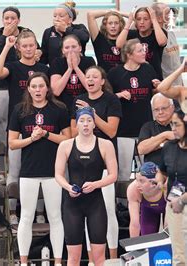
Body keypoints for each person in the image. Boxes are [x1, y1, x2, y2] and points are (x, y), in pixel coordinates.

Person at [8, 72, 70, 266]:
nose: (37, 90)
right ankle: (24, 261)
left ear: (47, 88)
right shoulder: (19, 110)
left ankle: (58, 261)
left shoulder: (58, 109)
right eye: (33, 86)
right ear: (28, 89)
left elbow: (67, 139)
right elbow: (12, 143)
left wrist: (45, 134)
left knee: (55, 216)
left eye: (41, 86)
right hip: (28, 172)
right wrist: (31, 138)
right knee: (26, 216)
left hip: (54, 172)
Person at [0, 30, 49, 225]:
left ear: (36, 47)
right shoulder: (13, 67)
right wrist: (7, 46)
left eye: (31, 45)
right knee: (14, 172)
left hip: (41, 126)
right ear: (18, 48)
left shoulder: (43, 68)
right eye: (24, 45)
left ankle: (40, 212)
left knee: (42, 171)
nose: (28, 49)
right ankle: (12, 213)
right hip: (18, 126)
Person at [54, 107, 118, 266]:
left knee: (99, 258)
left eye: (89, 120)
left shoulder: (106, 145)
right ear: (76, 124)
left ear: (94, 124)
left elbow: (113, 175)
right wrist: (68, 187)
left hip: (95, 204)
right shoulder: (66, 145)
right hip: (72, 205)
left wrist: (96, 184)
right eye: (82, 121)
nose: (86, 124)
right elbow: (58, 175)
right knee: (73, 257)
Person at [71, 66, 122, 260]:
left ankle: (113, 257)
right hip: (82, 162)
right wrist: (83, 120)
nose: (90, 79)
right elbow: (73, 131)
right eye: (88, 76)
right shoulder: (78, 101)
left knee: (108, 209)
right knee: (86, 213)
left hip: (104, 162)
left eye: (95, 76)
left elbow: (111, 131)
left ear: (102, 81)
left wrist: (92, 114)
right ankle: (93, 259)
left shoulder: (111, 100)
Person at [0, 6, 36, 160]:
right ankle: (2, 168)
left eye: (12, 18)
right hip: (2, 86)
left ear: (18, 20)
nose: (9, 21)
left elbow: (35, 54)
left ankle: (25, 159)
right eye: (6, 18)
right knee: (2, 125)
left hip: (22, 86)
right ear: (2, 20)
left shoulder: (26, 32)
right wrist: (4, 37)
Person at [108, 39, 158, 181]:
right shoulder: (115, 73)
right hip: (124, 129)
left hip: (145, 128)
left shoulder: (148, 69)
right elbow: (105, 97)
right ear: (129, 55)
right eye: (140, 50)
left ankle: (150, 200)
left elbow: (155, 93)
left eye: (144, 49)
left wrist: (157, 87)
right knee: (123, 171)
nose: (144, 53)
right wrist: (118, 95)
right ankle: (121, 202)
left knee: (149, 170)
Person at [157, 109, 187, 265]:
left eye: (177, 125)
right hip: (174, 203)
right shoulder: (168, 147)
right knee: (178, 253)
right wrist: (158, 183)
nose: (173, 128)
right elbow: (162, 171)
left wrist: (181, 199)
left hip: (182, 200)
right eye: (171, 124)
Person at [116, 6, 167, 80]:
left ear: (151, 20)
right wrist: (129, 22)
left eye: (146, 19)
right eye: (138, 19)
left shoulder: (158, 33)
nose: (142, 22)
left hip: (155, 77)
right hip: (135, 78)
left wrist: (154, 19)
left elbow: (162, 42)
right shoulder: (131, 34)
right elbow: (119, 45)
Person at [50, 34, 96, 112]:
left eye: (74, 47)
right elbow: (56, 91)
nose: (70, 50)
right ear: (63, 50)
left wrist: (76, 68)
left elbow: (92, 87)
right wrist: (70, 69)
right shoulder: (57, 62)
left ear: (80, 48)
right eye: (67, 47)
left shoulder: (89, 61)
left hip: (85, 106)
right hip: (63, 107)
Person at [40, 1, 90, 66]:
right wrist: (39, 53)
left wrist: (65, 29)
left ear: (70, 19)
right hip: (56, 71)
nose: (57, 19)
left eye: (61, 16)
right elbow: (45, 55)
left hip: (77, 68)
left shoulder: (79, 28)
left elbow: (84, 38)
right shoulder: (48, 32)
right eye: (55, 16)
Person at [127, 162, 166, 237]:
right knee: (147, 239)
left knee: (171, 237)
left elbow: (169, 226)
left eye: (141, 181)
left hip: (170, 208)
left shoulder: (167, 187)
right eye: (137, 180)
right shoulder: (133, 189)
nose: (137, 184)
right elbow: (134, 224)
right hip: (148, 211)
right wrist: (134, 247)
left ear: (153, 182)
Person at [137, 93, 175, 166]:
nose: (160, 112)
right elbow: (141, 149)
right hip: (153, 171)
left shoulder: (180, 124)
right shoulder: (148, 126)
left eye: (164, 108)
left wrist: (154, 143)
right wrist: (165, 135)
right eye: (156, 109)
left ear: (172, 107)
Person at [152, 2, 182, 85]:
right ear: (158, 18)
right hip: (166, 87)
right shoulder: (155, 37)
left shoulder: (170, 31)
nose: (171, 14)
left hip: (178, 84)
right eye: (167, 12)